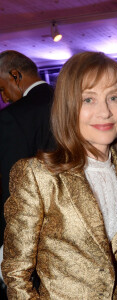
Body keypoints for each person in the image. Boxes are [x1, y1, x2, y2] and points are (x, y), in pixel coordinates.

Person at [2, 52, 117, 299]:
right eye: (89, 100)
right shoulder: (37, 175)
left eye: (113, 97)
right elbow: (16, 275)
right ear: (68, 106)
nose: (104, 112)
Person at [0, 50, 54, 298]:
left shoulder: (13, 118)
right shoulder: (71, 103)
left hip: (32, 239)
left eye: (2, 88)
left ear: (15, 75)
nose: (4, 97)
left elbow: (11, 188)